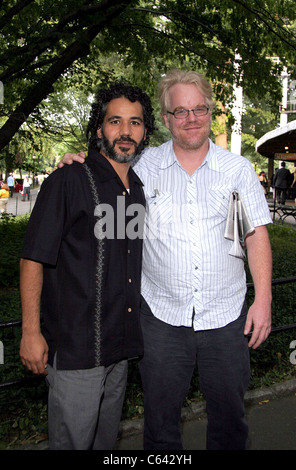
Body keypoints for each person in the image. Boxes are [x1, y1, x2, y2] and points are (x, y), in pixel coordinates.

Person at [60, 69, 272, 451]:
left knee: (230, 421)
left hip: (224, 319)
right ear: (166, 118)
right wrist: (78, 160)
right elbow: (102, 172)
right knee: (159, 425)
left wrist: (264, 300)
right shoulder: (142, 169)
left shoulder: (237, 171)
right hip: (160, 320)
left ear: (210, 111)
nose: (191, 118)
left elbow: (255, 235)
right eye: (180, 111)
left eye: (199, 109)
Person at [19, 82, 155, 450]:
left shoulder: (138, 190)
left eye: (135, 123)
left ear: (145, 132)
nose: (125, 132)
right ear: (99, 129)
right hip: (77, 351)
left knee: (105, 444)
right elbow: (33, 258)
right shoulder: (68, 179)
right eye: (115, 121)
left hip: (120, 348)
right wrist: (31, 332)